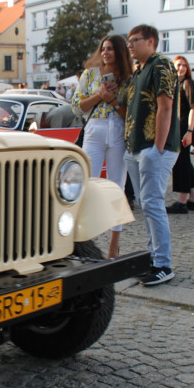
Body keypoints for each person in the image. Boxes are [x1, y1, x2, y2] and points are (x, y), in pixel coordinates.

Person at [123, 25, 179, 286]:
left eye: (135, 40)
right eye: (129, 41)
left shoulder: (160, 65)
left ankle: (163, 264)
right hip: (136, 148)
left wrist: (157, 148)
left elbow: (165, 107)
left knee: (153, 203)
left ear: (152, 41)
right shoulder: (139, 71)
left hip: (153, 148)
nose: (130, 45)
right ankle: (154, 258)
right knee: (147, 204)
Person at [72, 34, 130, 258]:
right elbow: (77, 108)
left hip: (117, 129)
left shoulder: (127, 78)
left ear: (120, 52)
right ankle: (83, 241)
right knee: (86, 184)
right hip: (94, 129)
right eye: (103, 48)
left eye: (111, 49)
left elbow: (129, 114)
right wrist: (100, 95)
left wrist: (114, 100)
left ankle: (114, 244)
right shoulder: (90, 75)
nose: (105, 52)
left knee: (117, 186)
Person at [167, 55, 194, 214]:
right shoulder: (176, 83)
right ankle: (193, 199)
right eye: (178, 65)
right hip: (177, 128)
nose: (181, 68)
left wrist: (189, 131)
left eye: (184, 66)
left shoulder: (187, 83)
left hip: (183, 129)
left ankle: (182, 201)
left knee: (181, 162)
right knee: (186, 162)